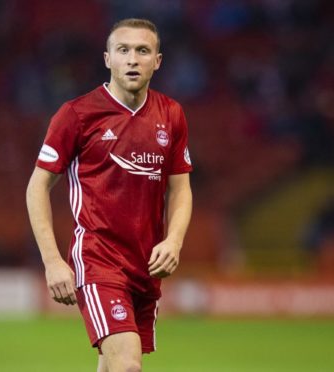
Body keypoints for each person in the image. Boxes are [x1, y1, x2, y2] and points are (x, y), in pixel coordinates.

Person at [26, 18, 193, 372]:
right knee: (127, 366)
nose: (133, 59)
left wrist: (174, 241)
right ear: (108, 59)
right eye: (124, 50)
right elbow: (37, 186)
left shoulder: (172, 114)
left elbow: (180, 187)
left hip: (145, 265)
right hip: (99, 259)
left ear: (157, 61)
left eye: (142, 51)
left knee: (110, 364)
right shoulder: (76, 115)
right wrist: (53, 261)